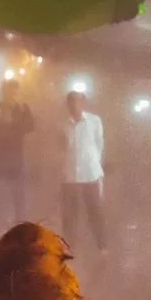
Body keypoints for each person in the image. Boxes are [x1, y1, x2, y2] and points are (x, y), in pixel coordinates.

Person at [0, 78, 35, 228]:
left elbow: (31, 126)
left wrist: (13, 123)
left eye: (15, 93)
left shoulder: (23, 108)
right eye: (8, 92)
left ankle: (20, 229)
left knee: (19, 199)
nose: (12, 96)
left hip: (16, 161)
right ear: (2, 93)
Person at [61, 90, 106, 251]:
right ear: (67, 105)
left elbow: (99, 144)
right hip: (70, 176)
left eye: (77, 102)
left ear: (83, 103)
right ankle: (68, 247)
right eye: (71, 102)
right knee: (69, 215)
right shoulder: (64, 125)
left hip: (90, 174)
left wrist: (95, 164)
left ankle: (102, 247)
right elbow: (62, 149)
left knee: (95, 212)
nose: (74, 105)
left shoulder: (94, 121)